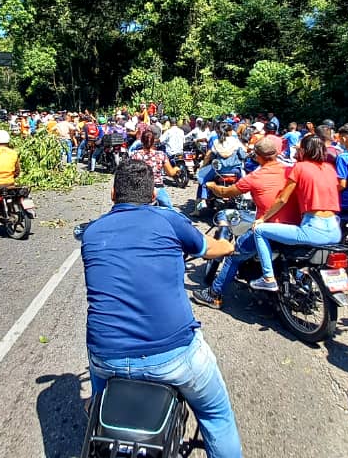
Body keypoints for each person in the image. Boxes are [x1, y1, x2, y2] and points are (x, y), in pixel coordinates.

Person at [81, 161, 242, 458]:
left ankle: (99, 400)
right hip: (175, 355)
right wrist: (231, 247)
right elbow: (209, 248)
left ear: (113, 193)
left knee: (96, 352)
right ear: (154, 196)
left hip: (107, 358)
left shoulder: (92, 233)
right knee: (216, 416)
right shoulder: (170, 220)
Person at [193, 139, 304, 301]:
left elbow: (226, 192)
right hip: (296, 227)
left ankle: (214, 294)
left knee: (234, 255)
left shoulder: (255, 177)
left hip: (269, 227)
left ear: (258, 157)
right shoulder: (292, 171)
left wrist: (211, 186)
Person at [195, 123, 246, 212]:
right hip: (235, 170)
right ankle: (245, 199)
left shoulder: (216, 142)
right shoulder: (236, 141)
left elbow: (208, 155)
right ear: (230, 131)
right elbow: (243, 153)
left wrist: (202, 166)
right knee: (244, 182)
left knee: (202, 178)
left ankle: (202, 200)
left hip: (219, 171)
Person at [131, 131, 179, 209]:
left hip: (141, 188)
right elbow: (171, 173)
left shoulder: (135, 155)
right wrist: (176, 169)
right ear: (154, 141)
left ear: (142, 141)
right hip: (157, 188)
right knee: (169, 210)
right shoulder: (161, 155)